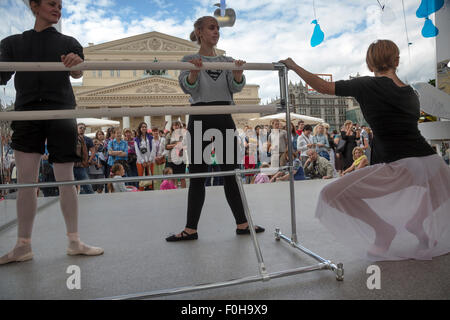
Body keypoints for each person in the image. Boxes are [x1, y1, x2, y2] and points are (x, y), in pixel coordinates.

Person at [280, 39, 450, 261]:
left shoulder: (366, 85)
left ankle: (382, 229)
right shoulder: (410, 93)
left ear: (370, 65)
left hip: (400, 165)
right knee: (441, 192)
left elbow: (323, 87)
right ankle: (417, 221)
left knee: (331, 194)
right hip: (429, 161)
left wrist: (294, 66)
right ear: (396, 61)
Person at [0, 0, 103, 265]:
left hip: (61, 112)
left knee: (66, 178)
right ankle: (23, 245)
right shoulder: (13, 43)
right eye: (51, 4)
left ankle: (74, 240)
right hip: (27, 113)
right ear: (34, 6)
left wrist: (76, 62)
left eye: (59, 5)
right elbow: (2, 76)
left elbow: (79, 72)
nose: (57, 9)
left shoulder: (69, 41)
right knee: (26, 183)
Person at [166, 16, 264, 241]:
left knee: (231, 173)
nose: (216, 31)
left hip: (223, 116)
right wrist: (193, 72)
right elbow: (188, 88)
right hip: (200, 116)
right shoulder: (189, 59)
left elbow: (235, 87)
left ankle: (242, 223)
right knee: (198, 175)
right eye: (211, 27)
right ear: (199, 31)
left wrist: (238, 74)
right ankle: (190, 229)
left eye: (218, 28)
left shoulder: (226, 60)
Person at [73, 123, 94, 194]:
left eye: (84, 128)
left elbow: (89, 152)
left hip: (80, 166)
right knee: (71, 188)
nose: (82, 129)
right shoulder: (70, 138)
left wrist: (87, 161)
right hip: (69, 166)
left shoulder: (86, 139)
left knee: (88, 188)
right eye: (80, 128)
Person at [164, 121, 186, 188]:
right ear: (172, 127)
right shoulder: (169, 135)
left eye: (178, 125)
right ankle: (174, 191)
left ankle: (184, 191)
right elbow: (166, 146)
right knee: (173, 177)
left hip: (181, 158)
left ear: (180, 126)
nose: (176, 127)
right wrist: (176, 145)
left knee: (182, 177)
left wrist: (181, 146)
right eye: (175, 125)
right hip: (172, 159)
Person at [150, 126, 166, 190]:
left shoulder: (163, 139)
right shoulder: (150, 140)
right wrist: (154, 158)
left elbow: (166, 149)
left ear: (158, 132)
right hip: (154, 161)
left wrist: (161, 156)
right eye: (154, 131)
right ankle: (156, 189)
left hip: (161, 160)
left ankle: (163, 188)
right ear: (152, 133)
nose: (155, 132)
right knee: (155, 176)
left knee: (162, 174)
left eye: (156, 131)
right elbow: (150, 151)